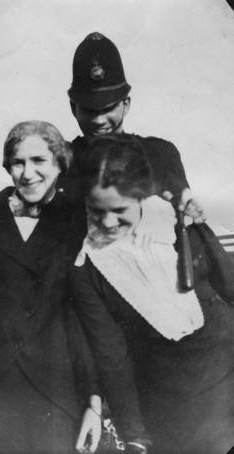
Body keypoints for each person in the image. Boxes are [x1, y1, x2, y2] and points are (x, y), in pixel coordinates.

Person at [70, 134, 234, 454]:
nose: (107, 223)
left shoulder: (179, 222)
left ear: (142, 195)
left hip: (225, 373)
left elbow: (229, 286)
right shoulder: (88, 267)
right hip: (165, 397)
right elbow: (111, 356)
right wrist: (135, 435)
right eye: (95, 211)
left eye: (119, 210)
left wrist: (195, 226)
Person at [0, 32, 204, 227]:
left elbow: (187, 217)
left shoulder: (161, 155)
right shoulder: (59, 160)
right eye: (89, 109)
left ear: (126, 104)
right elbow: (21, 200)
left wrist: (187, 209)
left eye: (108, 108)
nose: (99, 120)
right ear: (73, 108)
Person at [0, 121, 103, 454]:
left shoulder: (79, 223)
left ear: (59, 164)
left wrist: (94, 404)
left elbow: (85, 319)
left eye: (39, 161)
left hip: (55, 393)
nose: (27, 173)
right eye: (17, 162)